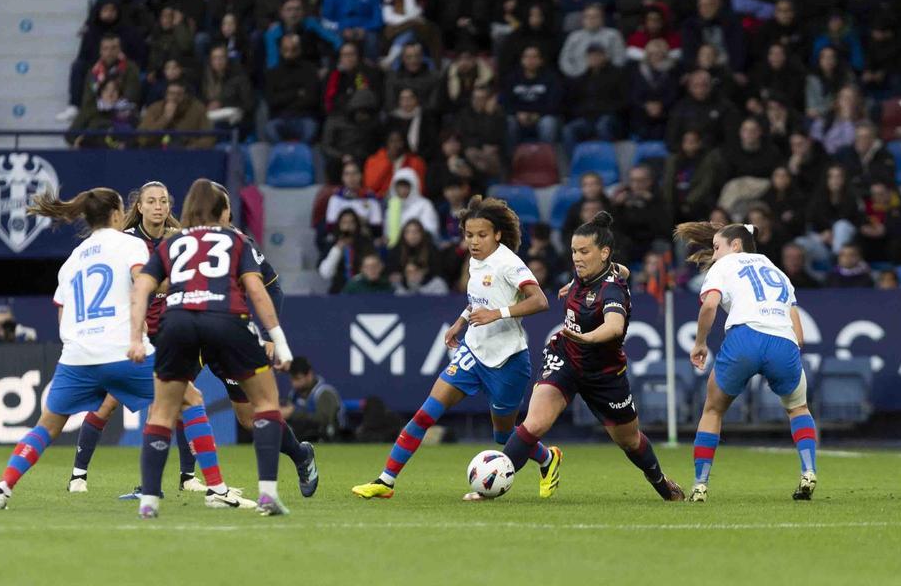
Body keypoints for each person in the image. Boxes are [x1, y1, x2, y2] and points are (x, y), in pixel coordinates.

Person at [353, 196, 559, 500]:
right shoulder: (475, 261)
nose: (474, 242)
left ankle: (547, 458)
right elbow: (479, 299)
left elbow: (540, 301)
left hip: (507, 362)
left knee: (504, 435)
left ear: (498, 234)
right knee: (425, 414)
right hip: (472, 352)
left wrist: (497, 315)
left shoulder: (509, 263)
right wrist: (460, 321)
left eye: (481, 235)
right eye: (469, 235)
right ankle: (385, 481)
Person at [129, 179, 296, 518]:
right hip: (226, 318)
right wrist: (278, 340)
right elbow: (258, 290)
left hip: (176, 322)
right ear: (223, 212)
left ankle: (149, 500)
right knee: (265, 404)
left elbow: (142, 287)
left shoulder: (172, 242)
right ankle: (267, 494)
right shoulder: (236, 239)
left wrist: (135, 336)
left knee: (162, 411)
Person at [0, 189, 153, 509]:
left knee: (47, 425)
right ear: (117, 215)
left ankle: (3, 485)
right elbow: (141, 284)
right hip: (121, 347)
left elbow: (62, 308)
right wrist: (139, 329)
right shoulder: (131, 244)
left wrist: (73, 342)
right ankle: (214, 487)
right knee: (188, 398)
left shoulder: (73, 258)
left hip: (77, 356)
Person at [498, 212, 684, 502]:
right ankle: (494, 484)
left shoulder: (611, 290)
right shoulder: (591, 271)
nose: (577, 258)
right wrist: (573, 287)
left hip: (604, 373)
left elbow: (614, 326)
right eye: (574, 251)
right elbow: (623, 270)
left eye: (584, 251)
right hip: (566, 357)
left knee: (629, 441)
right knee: (535, 423)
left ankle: (660, 482)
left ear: (603, 252)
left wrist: (587, 337)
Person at [674, 222, 819, 502]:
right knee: (798, 408)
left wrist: (700, 342)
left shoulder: (724, 267)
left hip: (745, 338)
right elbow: (798, 335)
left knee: (713, 410)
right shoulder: (776, 271)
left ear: (736, 246)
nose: (714, 255)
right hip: (783, 341)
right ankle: (809, 470)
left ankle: (700, 485)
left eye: (716, 248)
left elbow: (709, 305)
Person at [282, 357, 342, 443]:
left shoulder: (324, 393)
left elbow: (324, 420)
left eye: (297, 378)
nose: (294, 383)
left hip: (330, 440)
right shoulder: (294, 394)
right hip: (303, 440)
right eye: (292, 379)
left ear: (309, 375)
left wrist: (292, 413)